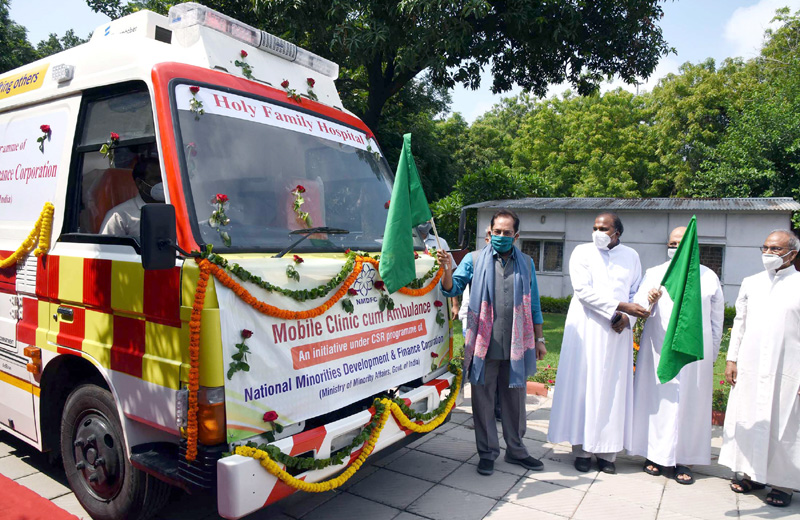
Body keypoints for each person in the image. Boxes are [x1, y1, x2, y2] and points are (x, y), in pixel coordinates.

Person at [439, 209, 546, 476]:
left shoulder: (527, 263)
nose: (500, 236)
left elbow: (533, 305)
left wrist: (540, 338)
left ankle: (517, 450)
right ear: (489, 232)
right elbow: (451, 289)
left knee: (515, 402)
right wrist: (446, 269)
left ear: (516, 236)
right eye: (496, 231)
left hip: (516, 345)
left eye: (506, 233)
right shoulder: (474, 260)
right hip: (483, 345)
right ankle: (487, 453)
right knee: (483, 401)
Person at [547, 213, 649, 474]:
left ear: (617, 232)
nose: (597, 232)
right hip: (587, 327)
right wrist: (619, 307)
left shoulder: (631, 256)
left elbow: (636, 291)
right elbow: (582, 291)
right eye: (594, 227)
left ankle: (608, 453)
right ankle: (582, 450)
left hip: (617, 333)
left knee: (613, 389)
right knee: (585, 386)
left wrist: (627, 318)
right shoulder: (582, 253)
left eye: (603, 228)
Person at [627, 226, 724, 485]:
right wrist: (650, 300)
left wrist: (711, 355)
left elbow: (716, 320)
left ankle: (684, 459)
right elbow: (639, 309)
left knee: (690, 405)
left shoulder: (708, 277)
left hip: (694, 356)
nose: (674, 248)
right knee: (658, 400)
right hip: (658, 350)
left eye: (680, 243)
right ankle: (655, 455)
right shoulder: (655, 273)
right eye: (671, 243)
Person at [719, 230, 800, 508]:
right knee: (749, 418)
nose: (768, 253)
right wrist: (731, 359)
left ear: (793, 253)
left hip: (788, 368)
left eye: (775, 249)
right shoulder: (751, 283)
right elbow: (739, 323)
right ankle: (752, 474)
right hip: (751, 367)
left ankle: (783, 483)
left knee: (784, 423)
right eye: (764, 247)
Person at [100, 157, 164, 236]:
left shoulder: (178, 208)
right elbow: (107, 247)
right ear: (140, 183)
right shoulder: (119, 216)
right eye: (157, 179)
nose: (163, 183)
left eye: (165, 178)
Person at [418, 221, 459, 317]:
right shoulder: (405, 242)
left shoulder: (440, 242)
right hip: (414, 300)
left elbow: (450, 271)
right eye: (422, 218)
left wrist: (455, 303)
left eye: (428, 219)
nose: (425, 222)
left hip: (438, 298)